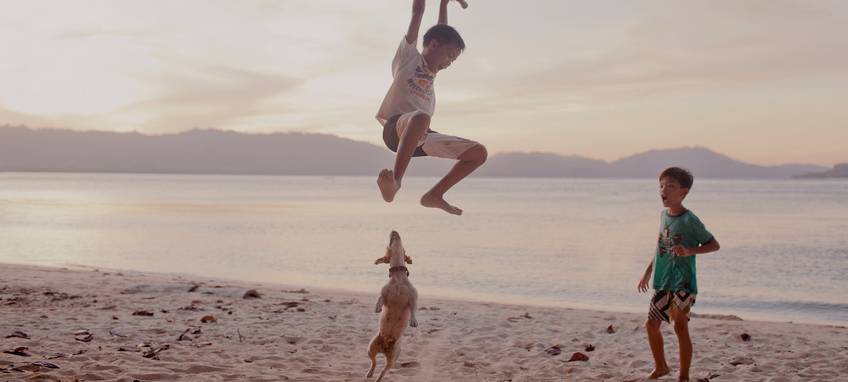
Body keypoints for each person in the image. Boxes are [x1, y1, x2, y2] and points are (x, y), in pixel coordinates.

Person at [376, 0, 487, 216]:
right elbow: (418, 11)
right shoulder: (408, 58)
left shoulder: (432, 72)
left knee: (479, 153)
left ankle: (434, 195)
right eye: (450, 56)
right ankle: (396, 182)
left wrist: (444, 4)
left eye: (453, 60)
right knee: (421, 118)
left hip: (419, 136)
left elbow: (441, 30)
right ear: (434, 45)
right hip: (395, 129)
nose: (450, 63)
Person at [637, 167, 721, 382]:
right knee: (651, 325)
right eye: (661, 185)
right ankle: (661, 367)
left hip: (683, 282)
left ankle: (684, 377)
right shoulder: (663, 215)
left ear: (683, 192)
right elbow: (660, 246)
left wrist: (690, 250)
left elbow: (714, 244)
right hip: (662, 281)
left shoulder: (690, 219)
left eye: (670, 186)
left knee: (680, 325)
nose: (663, 190)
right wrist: (648, 271)